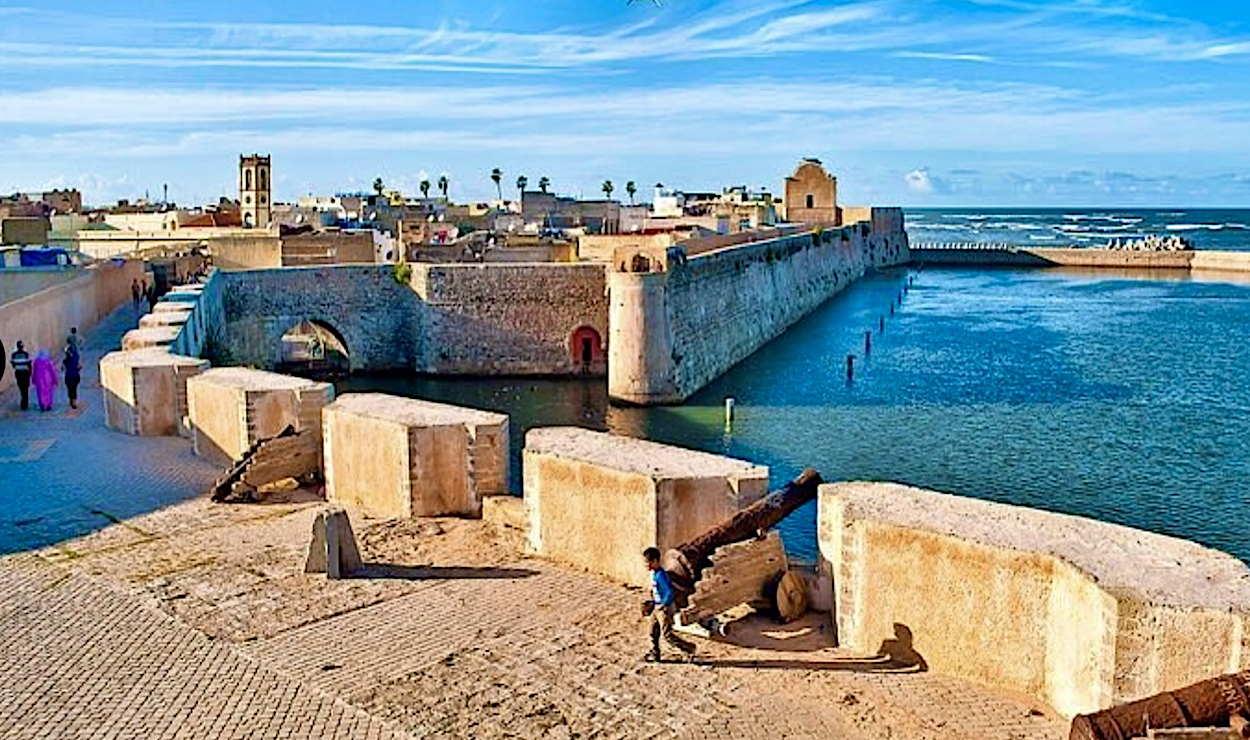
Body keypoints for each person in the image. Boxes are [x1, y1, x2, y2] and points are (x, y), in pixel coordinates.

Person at [642, 547, 696, 662]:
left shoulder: (661, 575)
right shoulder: (654, 574)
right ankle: (655, 652)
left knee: (667, 635)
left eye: (648, 562)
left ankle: (689, 648)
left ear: (656, 561)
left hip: (663, 608)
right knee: (653, 631)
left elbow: (669, 592)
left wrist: (664, 604)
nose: (646, 565)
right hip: (657, 607)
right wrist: (652, 602)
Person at [10, 340, 32, 410]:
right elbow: (29, 364)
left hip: (18, 373)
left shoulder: (14, 355)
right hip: (25, 373)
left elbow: (13, 364)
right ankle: (25, 402)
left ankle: (24, 401)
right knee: (25, 388)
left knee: (21, 387)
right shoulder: (26, 354)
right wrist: (30, 373)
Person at [62, 344, 82, 409]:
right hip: (75, 376)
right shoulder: (75, 358)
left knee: (70, 389)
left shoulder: (65, 360)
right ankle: (73, 402)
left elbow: (62, 368)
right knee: (74, 389)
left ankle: (71, 400)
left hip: (69, 377)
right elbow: (79, 366)